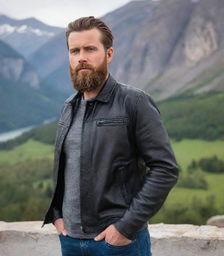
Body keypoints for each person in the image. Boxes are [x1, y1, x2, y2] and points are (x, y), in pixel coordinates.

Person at [41, 16, 179, 256]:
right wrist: (57, 215)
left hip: (117, 244)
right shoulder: (68, 107)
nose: (81, 57)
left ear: (109, 54)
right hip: (70, 241)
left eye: (90, 49)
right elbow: (65, 168)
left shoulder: (134, 102)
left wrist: (125, 228)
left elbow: (165, 169)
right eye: (74, 51)